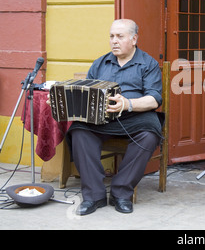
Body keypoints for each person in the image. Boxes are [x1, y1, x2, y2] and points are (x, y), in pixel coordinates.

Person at [65, 19, 163, 215]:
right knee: (78, 130)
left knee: (150, 134)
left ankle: (121, 192)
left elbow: (154, 99)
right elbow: (87, 93)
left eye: (120, 36)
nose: (114, 41)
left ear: (134, 39)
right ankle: (94, 196)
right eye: (111, 36)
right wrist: (65, 101)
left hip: (135, 115)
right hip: (102, 118)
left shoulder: (148, 63)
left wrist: (128, 104)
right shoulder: (100, 63)